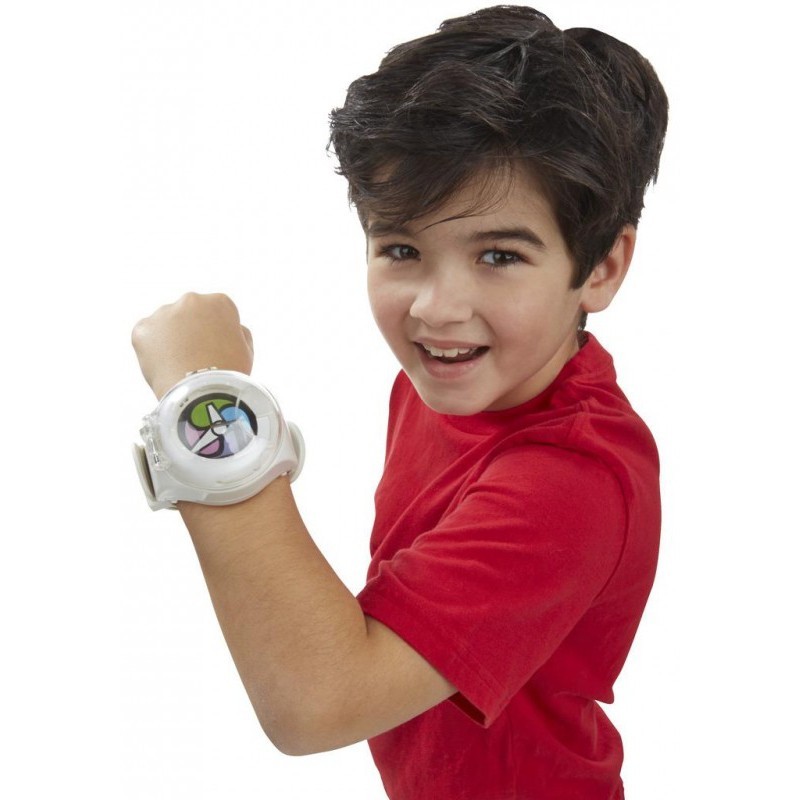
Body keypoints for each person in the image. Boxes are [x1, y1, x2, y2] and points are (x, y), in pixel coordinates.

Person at [131, 6, 668, 799]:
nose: (435, 309)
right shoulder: (458, 380)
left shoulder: (572, 482)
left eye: (499, 255)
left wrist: (207, 397)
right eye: (402, 248)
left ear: (601, 267)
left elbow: (317, 703)